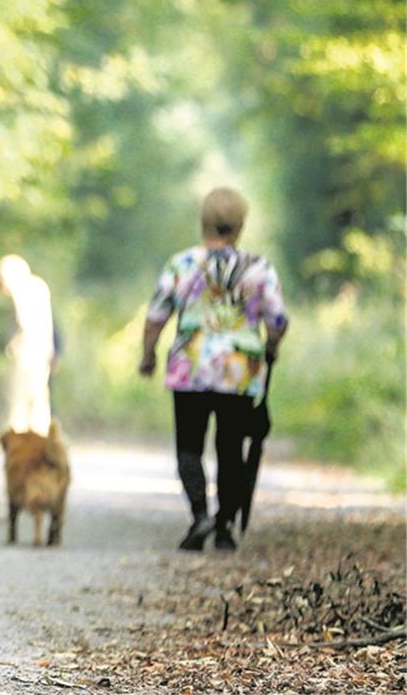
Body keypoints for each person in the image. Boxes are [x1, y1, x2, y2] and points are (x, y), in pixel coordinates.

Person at [138, 187, 287, 552]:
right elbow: (278, 319)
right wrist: (269, 347)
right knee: (230, 447)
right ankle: (224, 527)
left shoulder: (183, 264)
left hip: (190, 368)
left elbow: (156, 315)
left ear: (204, 222)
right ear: (240, 225)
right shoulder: (258, 267)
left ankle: (200, 514)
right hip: (239, 370)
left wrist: (148, 355)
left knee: (189, 446)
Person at [0, 255, 55, 437]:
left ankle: (18, 442)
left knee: (20, 401)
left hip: (28, 353)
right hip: (43, 350)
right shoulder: (39, 286)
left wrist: (15, 343)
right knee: (39, 399)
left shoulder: (22, 289)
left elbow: (27, 323)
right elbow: (48, 323)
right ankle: (40, 440)